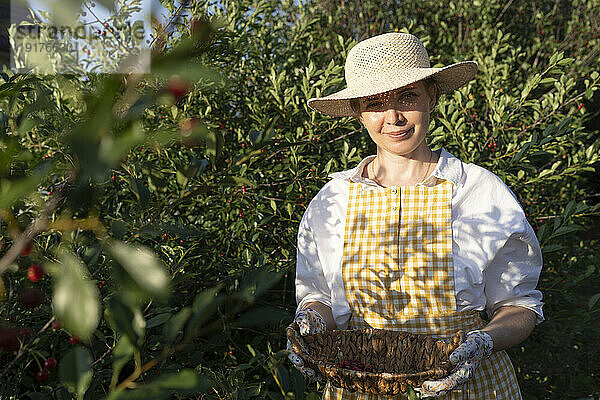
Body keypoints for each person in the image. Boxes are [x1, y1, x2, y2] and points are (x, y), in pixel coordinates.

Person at [286, 33, 544, 399]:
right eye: (375, 103)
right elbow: (319, 298)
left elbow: (519, 306)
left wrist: (483, 341)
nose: (393, 117)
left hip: (469, 387)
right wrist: (309, 324)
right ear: (358, 112)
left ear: (432, 98)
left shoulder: (478, 192)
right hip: (360, 386)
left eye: (407, 96)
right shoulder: (333, 200)